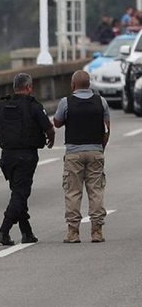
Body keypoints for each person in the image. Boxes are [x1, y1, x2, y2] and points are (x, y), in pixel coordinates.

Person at [0, 73, 55, 246]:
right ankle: (4, 231)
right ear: (29, 87)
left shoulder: (2, 105)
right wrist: (50, 140)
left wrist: (7, 135)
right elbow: (48, 128)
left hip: (7, 156)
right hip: (26, 156)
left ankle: (27, 232)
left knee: (18, 192)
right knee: (20, 194)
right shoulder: (34, 106)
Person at [53, 70, 110, 244]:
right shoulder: (101, 102)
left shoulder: (66, 102)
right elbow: (106, 129)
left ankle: (73, 232)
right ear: (89, 84)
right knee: (96, 191)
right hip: (95, 151)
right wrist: (100, 148)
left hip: (73, 153)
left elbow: (57, 122)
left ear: (73, 85)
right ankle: (97, 231)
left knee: (72, 192)